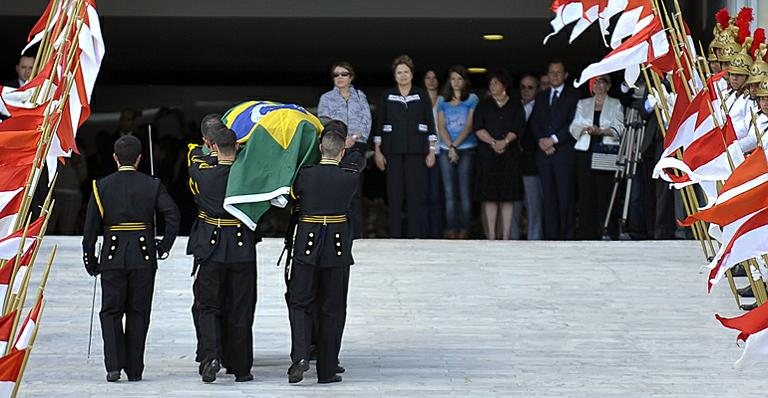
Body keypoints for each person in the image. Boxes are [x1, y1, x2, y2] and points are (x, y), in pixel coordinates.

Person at [82, 135, 180, 382]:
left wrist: (90, 257)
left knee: (111, 311)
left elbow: (91, 227)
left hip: (112, 256)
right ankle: (134, 369)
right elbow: (173, 215)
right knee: (138, 312)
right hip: (143, 254)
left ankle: (114, 366)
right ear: (139, 158)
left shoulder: (101, 185)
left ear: (115, 158)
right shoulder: (152, 184)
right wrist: (163, 246)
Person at [286, 124, 359, 384]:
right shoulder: (351, 176)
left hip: (307, 242)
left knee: (300, 301)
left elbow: (294, 200)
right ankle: (327, 370)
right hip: (336, 247)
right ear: (341, 153)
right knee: (333, 307)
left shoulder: (304, 175)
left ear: (320, 150)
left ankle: (301, 355)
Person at [187, 126, 260, 383]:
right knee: (240, 308)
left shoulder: (202, 172)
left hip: (211, 245)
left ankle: (211, 357)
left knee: (208, 306)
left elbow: (194, 158)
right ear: (238, 148)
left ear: (213, 147)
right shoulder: (250, 176)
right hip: (241, 247)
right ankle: (241, 368)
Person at [373, 54, 437, 238]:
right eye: (399, 72)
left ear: (411, 74)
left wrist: (431, 151)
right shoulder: (387, 96)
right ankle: (394, 235)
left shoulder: (421, 94)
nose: (402, 75)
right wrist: (378, 152)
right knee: (394, 194)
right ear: (394, 76)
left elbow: (430, 124)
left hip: (417, 152)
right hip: (392, 151)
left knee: (415, 194)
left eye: (406, 72)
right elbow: (379, 126)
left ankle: (414, 235)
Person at [317, 61, 372, 238]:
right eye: (336, 75)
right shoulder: (326, 98)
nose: (339, 77)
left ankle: (356, 233)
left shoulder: (360, 96)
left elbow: (366, 120)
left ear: (351, 77)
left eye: (343, 74)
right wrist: (340, 140)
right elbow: (323, 123)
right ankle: (335, 230)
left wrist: (354, 138)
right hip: (334, 148)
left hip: (356, 146)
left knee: (355, 190)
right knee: (334, 189)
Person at [186, 113, 223, 367]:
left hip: (209, 233)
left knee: (205, 301)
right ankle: (215, 353)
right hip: (230, 236)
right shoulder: (198, 155)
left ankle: (210, 353)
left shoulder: (199, 160)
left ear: (205, 140)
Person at [569, 75, 625, 239]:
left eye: (602, 82)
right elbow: (574, 127)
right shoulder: (583, 103)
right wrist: (586, 129)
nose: (598, 86)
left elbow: (619, 127)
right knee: (586, 193)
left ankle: (608, 231)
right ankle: (587, 233)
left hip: (606, 151)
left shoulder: (616, 104)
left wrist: (602, 131)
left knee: (606, 192)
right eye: (595, 83)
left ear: (608, 86)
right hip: (585, 151)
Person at [529, 60, 579, 240]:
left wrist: (553, 140)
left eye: (558, 72)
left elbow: (574, 123)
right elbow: (534, 122)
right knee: (548, 197)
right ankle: (550, 237)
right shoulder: (541, 97)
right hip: (544, 155)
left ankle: (567, 236)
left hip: (564, 154)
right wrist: (542, 140)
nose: (555, 75)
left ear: (565, 75)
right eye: (551, 72)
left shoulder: (573, 96)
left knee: (565, 197)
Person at [474, 69, 526, 240]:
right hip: (488, 156)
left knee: (508, 195)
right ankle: (491, 235)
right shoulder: (483, 105)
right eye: (491, 83)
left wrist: (505, 142)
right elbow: (478, 128)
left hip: (509, 156)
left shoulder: (516, 105)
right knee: (489, 196)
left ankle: (505, 235)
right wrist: (493, 142)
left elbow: (518, 127)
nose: (492, 86)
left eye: (496, 83)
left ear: (504, 85)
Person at [436, 65, 478, 239]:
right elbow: (441, 126)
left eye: (459, 78)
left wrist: (456, 146)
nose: (456, 82)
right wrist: (450, 147)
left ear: (465, 80)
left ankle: (465, 229)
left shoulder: (472, 99)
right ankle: (452, 229)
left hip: (466, 148)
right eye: (453, 78)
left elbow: (469, 126)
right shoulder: (441, 101)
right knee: (449, 193)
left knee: (464, 191)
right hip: (446, 149)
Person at [511, 74, 544, 240]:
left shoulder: (542, 107)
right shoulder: (514, 107)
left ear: (537, 89)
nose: (526, 91)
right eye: (523, 87)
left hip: (532, 165)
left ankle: (535, 242)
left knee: (533, 207)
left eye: (530, 87)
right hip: (514, 165)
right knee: (513, 208)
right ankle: (512, 241)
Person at [422, 69, 444, 238]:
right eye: (428, 77)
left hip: (441, 151)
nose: (431, 80)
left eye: (434, 77)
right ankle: (424, 232)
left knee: (437, 194)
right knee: (423, 194)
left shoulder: (444, 101)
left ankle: (437, 233)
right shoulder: (420, 100)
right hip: (422, 152)